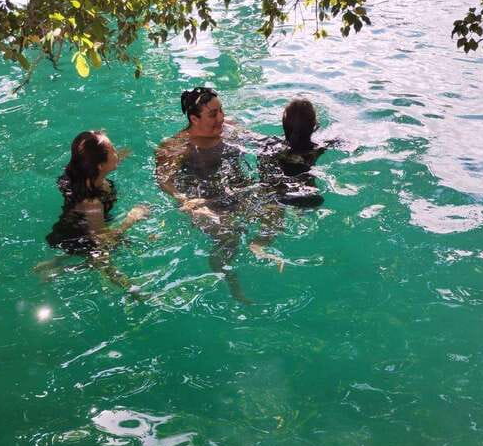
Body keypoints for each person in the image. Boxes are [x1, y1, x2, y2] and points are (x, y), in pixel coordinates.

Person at [156, 87, 256, 302]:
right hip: (206, 200)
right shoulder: (177, 146)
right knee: (229, 237)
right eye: (213, 114)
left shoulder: (230, 128)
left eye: (221, 110)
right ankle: (230, 281)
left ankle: (262, 250)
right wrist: (185, 200)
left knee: (274, 209)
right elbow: (164, 180)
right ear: (194, 118)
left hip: (238, 190)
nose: (221, 118)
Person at [43, 130, 148, 289]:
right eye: (113, 149)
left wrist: (122, 154)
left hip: (73, 225)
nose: (117, 152)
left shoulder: (80, 172)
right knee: (103, 259)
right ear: (100, 165)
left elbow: (92, 158)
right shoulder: (92, 203)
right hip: (80, 237)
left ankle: (55, 263)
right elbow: (104, 239)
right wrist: (131, 219)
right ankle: (134, 292)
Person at [249, 99, 328, 269]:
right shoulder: (317, 148)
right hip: (303, 193)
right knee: (303, 206)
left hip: (271, 190)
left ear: (284, 124)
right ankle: (298, 213)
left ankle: (258, 246)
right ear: (313, 125)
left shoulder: (268, 143)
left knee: (270, 225)